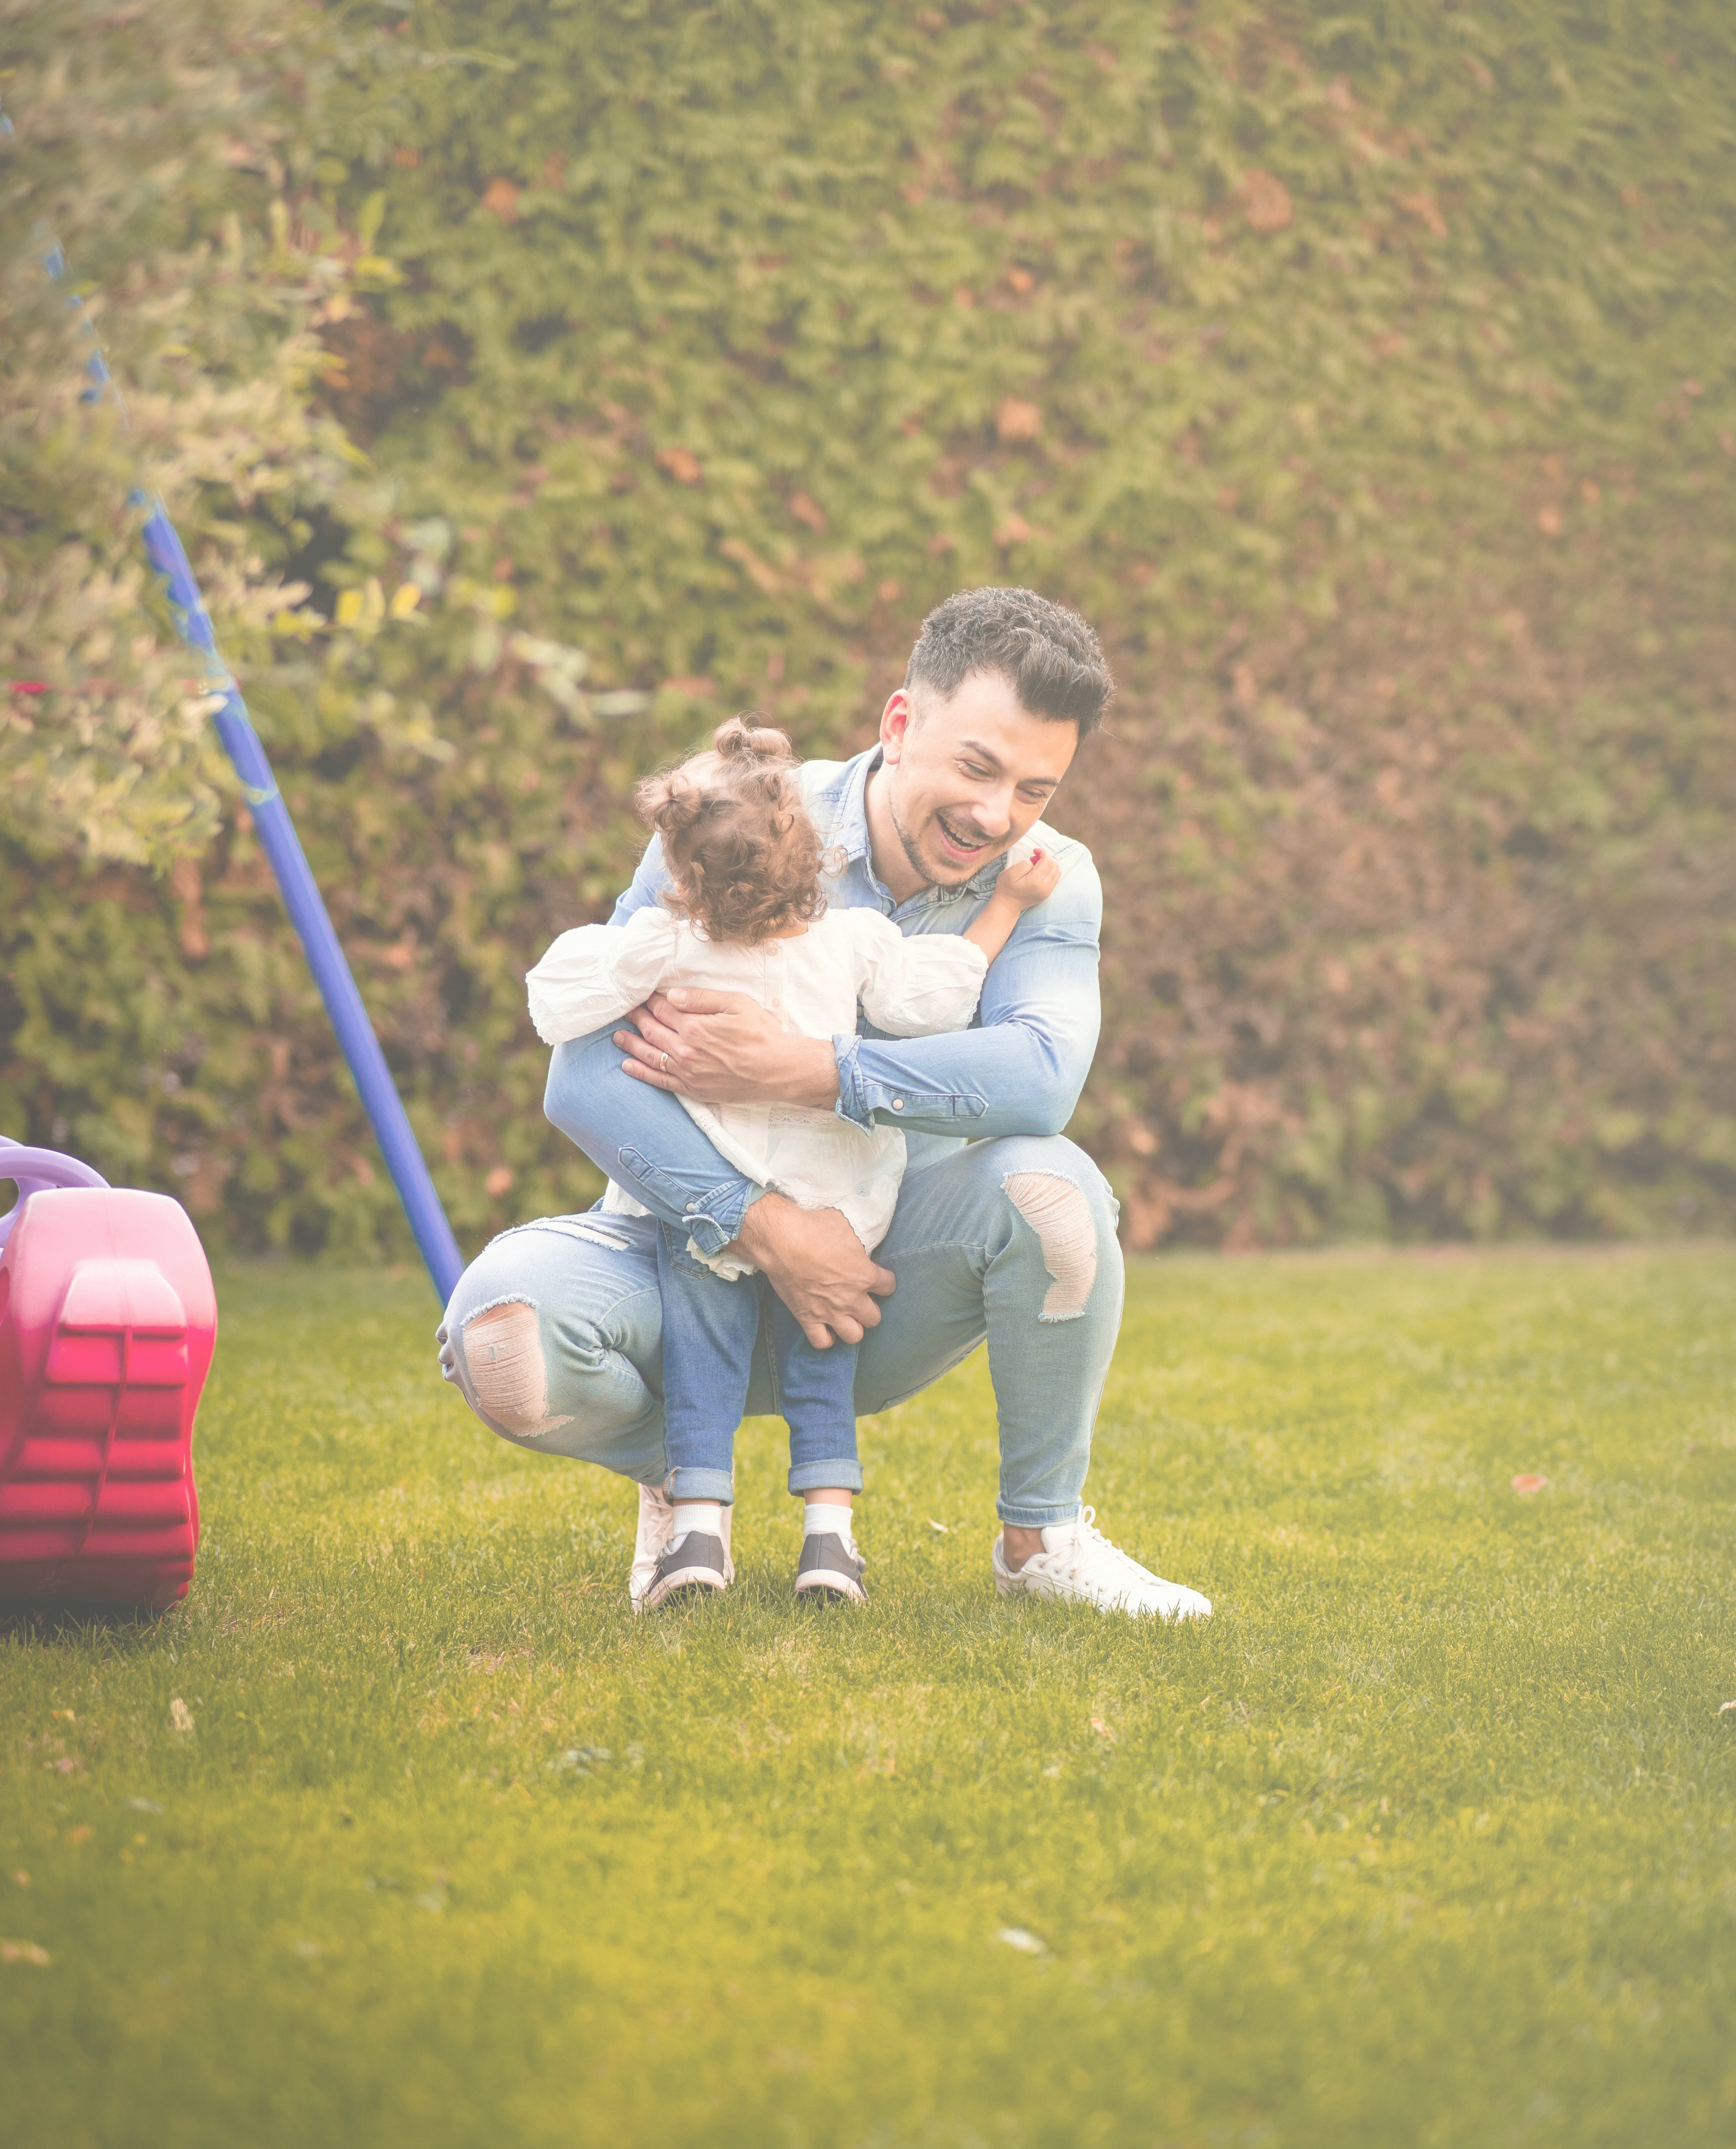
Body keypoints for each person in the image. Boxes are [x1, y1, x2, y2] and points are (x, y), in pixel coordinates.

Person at [438, 586, 1212, 1622]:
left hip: (874, 1279)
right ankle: (679, 1476)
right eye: (977, 767)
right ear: (900, 725)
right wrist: (763, 1227)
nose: (996, 816)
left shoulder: (1046, 878)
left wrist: (813, 1069)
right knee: (499, 1345)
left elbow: (1041, 1080)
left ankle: (1042, 1539)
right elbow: (579, 1075)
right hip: (678, 1255)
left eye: (1035, 788)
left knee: (1056, 1191)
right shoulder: (737, 816)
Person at [522, 715, 1059, 1609]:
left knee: (699, 1354)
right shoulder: (846, 942)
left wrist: (606, 950)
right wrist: (1005, 904)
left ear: (684, 872)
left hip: (709, 1197)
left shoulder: (663, 945)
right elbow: (933, 997)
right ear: (811, 857)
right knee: (825, 1362)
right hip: (837, 1203)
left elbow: (556, 1004)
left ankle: (695, 1532)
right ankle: (829, 1542)